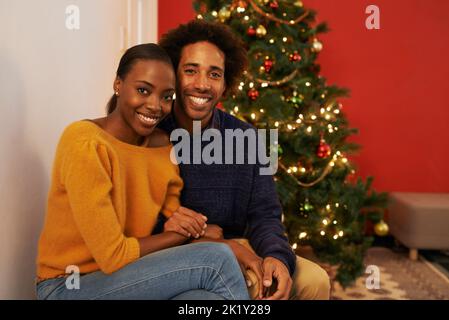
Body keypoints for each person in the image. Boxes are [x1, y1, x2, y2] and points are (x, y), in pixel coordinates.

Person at [35, 43, 250, 300]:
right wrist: (182, 233)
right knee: (216, 260)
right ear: (118, 84)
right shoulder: (85, 143)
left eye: (166, 96)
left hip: (129, 277)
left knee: (204, 299)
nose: (155, 105)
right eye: (143, 90)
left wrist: (196, 228)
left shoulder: (161, 147)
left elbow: (177, 216)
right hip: (68, 286)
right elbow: (114, 255)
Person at [158, 20, 331, 300]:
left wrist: (275, 256)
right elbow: (139, 223)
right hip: (176, 253)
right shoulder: (153, 134)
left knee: (314, 281)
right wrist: (201, 237)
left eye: (214, 74)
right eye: (190, 71)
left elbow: (265, 214)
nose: (201, 85)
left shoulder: (246, 137)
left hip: (239, 247)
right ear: (174, 77)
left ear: (226, 85)